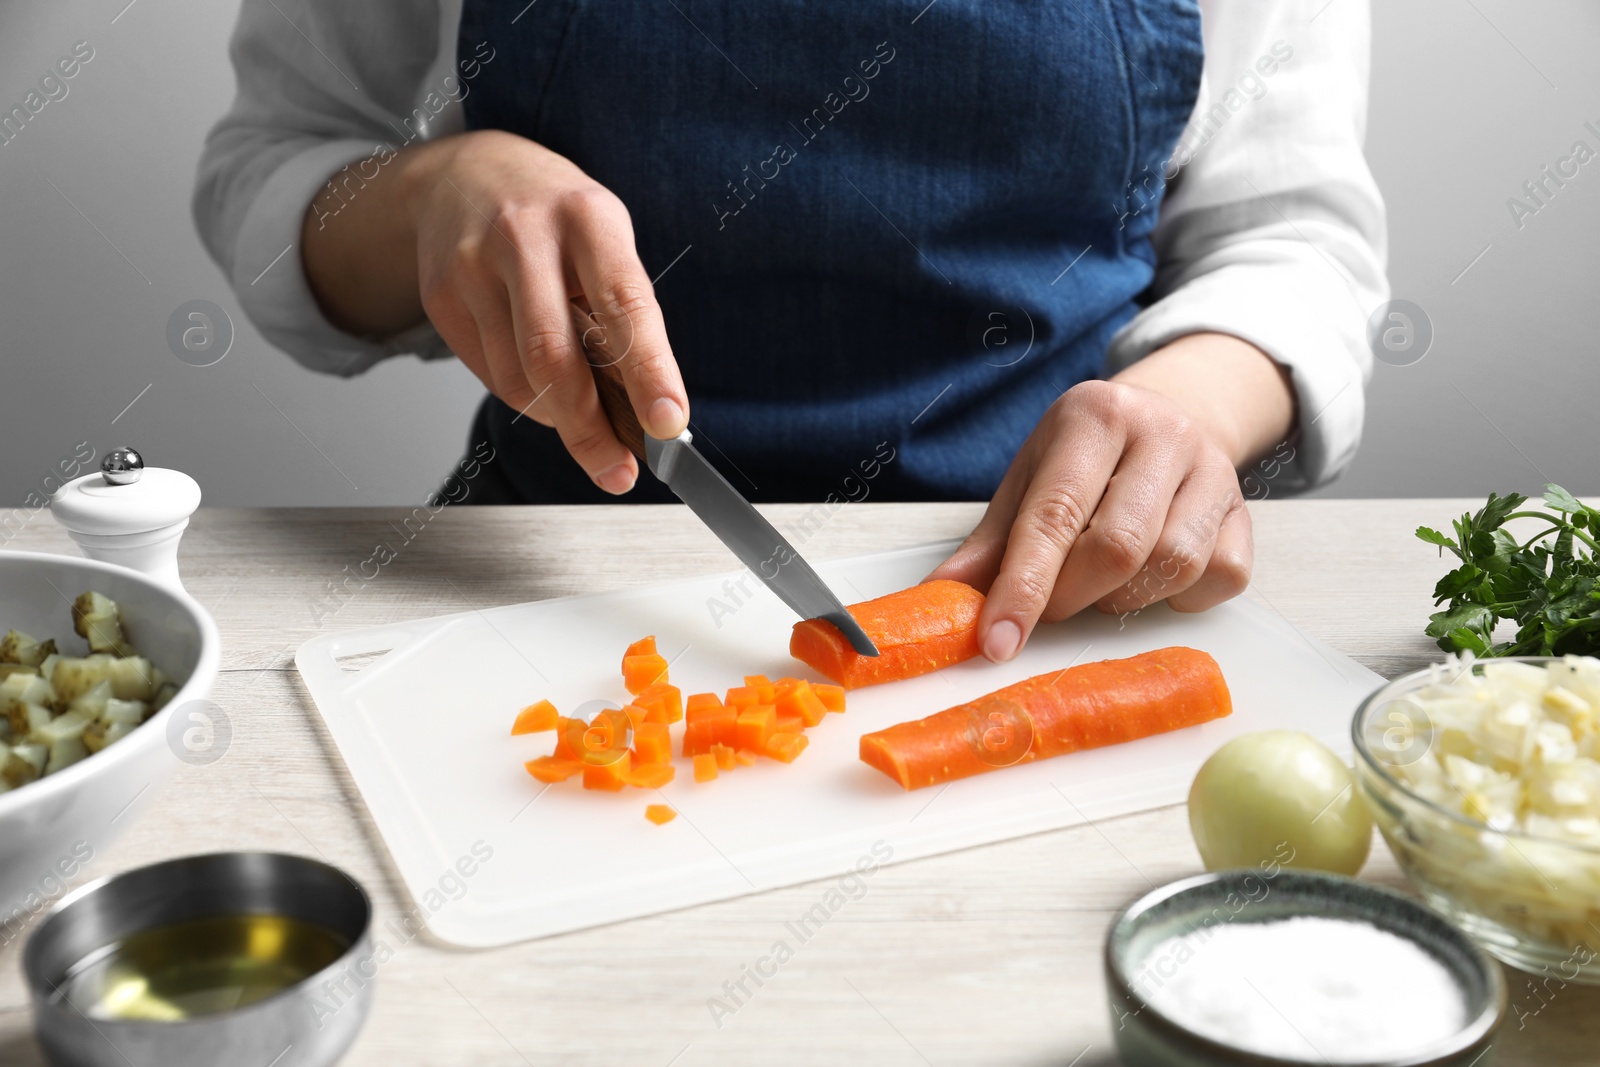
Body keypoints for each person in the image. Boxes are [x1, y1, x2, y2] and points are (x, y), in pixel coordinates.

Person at [194, 0, 1386, 663]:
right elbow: (272, 165)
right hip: (539, 574)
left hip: (1042, 599)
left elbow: (1292, 243)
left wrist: (1186, 414)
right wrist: (424, 197)